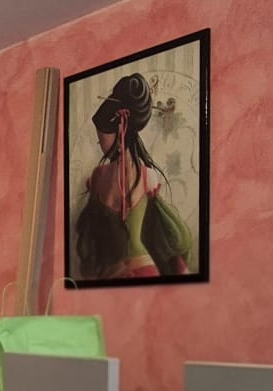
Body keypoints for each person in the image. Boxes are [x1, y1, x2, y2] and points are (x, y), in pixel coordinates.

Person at [72, 73, 194, 280]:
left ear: (120, 128)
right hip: (142, 269)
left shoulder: (99, 177)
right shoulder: (148, 177)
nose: (100, 144)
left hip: (121, 272)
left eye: (101, 137)